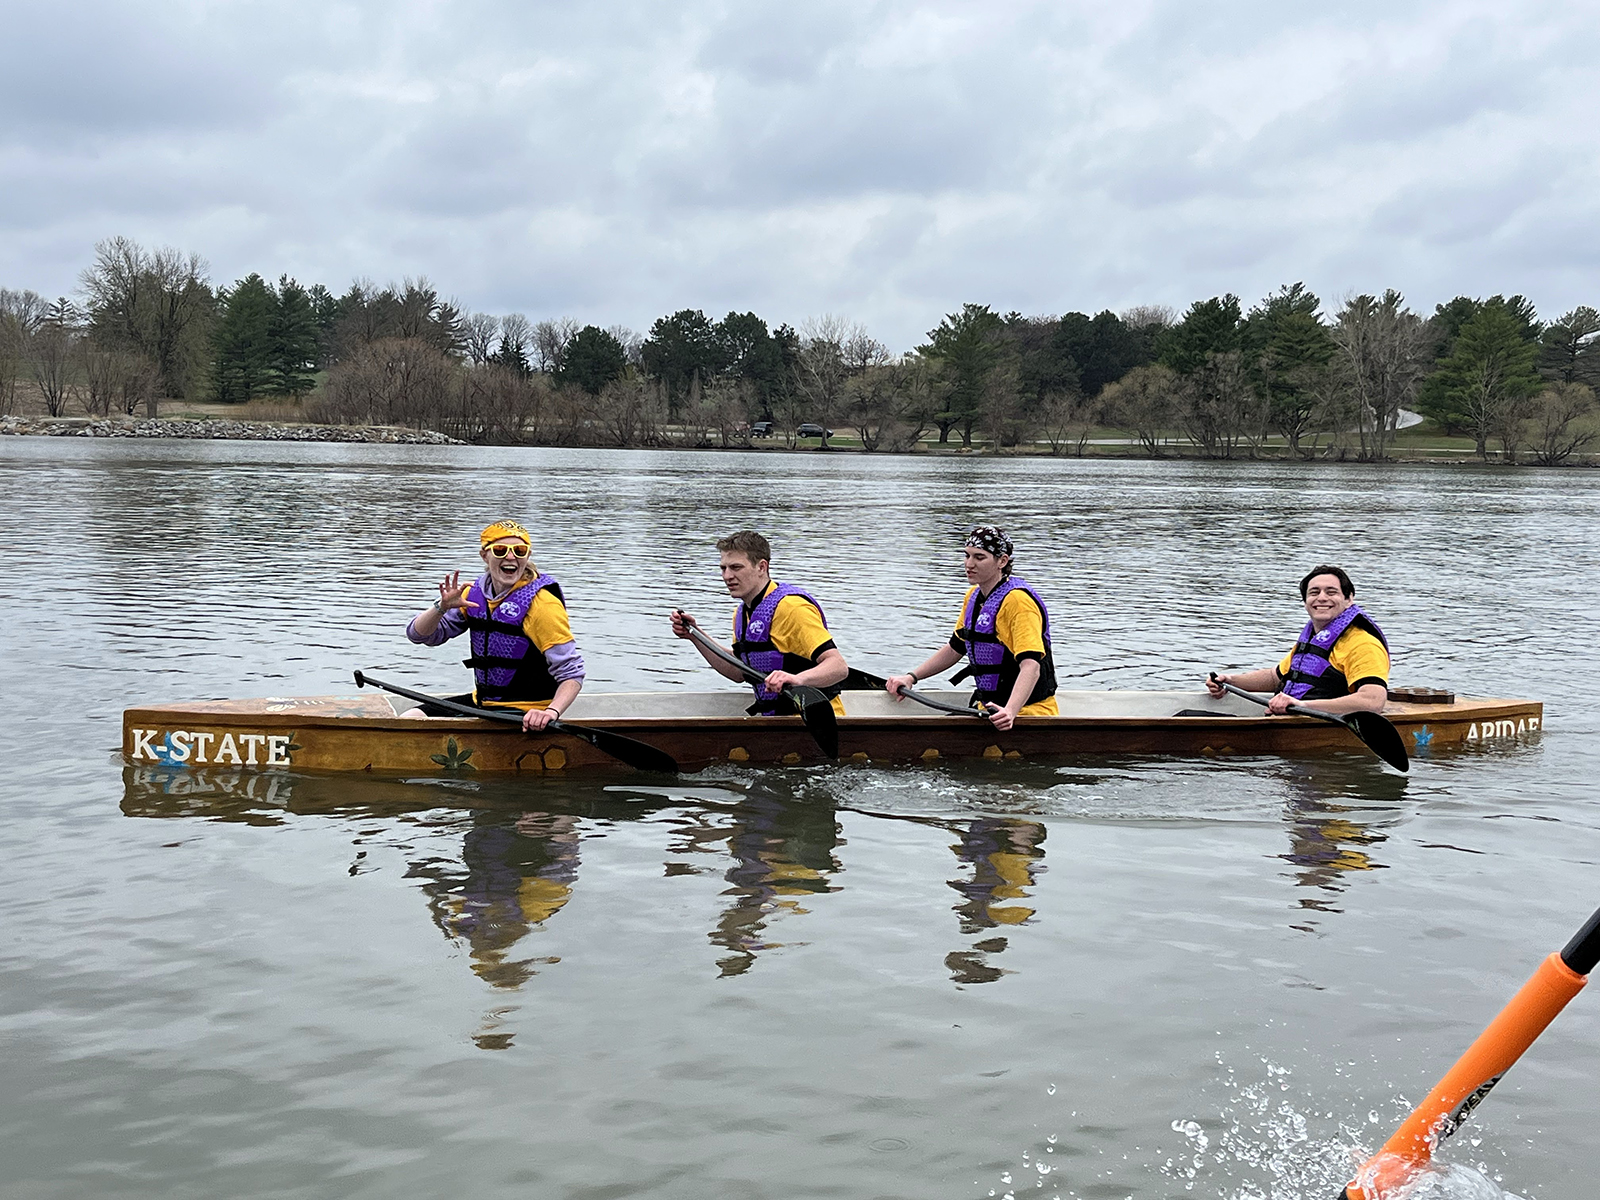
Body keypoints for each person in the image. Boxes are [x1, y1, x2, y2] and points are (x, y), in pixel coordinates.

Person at [405, 520, 585, 731]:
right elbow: (419, 635)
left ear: (527, 556)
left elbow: (572, 674)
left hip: (528, 712)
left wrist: (550, 713)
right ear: (485, 555)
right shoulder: (472, 594)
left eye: (519, 550)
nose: (510, 557)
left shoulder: (542, 604)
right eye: (500, 550)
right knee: (412, 717)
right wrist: (441, 607)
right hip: (484, 705)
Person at [883, 526, 1059, 731]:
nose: (969, 564)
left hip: (1027, 713)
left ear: (1002, 561)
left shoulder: (1018, 602)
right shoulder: (974, 597)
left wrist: (1010, 711)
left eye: (979, 557)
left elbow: (1031, 666)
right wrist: (911, 677)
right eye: (966, 556)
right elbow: (955, 648)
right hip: (987, 708)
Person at [669, 530, 849, 716]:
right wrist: (694, 635)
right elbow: (737, 671)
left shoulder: (792, 607)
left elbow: (838, 667)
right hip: (775, 722)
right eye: (723, 568)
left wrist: (797, 679)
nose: (727, 576)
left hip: (815, 718)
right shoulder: (741, 614)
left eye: (736, 567)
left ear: (762, 567)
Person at [1205, 564, 1389, 715]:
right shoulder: (1314, 638)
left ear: (1349, 599)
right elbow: (1275, 677)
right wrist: (1230, 681)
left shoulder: (1364, 643)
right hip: (1292, 717)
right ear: (1306, 602)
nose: (1322, 598)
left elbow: (1372, 701)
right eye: (1314, 592)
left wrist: (1303, 706)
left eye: (1331, 592)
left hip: (1318, 721)